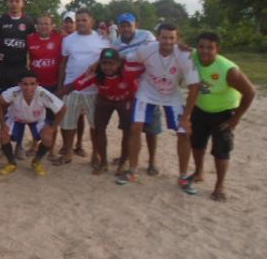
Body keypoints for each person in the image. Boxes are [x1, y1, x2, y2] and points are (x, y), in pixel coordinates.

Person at [117, 23, 200, 195]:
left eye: (171, 38)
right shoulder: (147, 49)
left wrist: (187, 116)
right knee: (135, 128)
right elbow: (126, 58)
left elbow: (194, 88)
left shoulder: (184, 55)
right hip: (147, 92)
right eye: (164, 37)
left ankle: (183, 175)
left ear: (177, 39)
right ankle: (132, 171)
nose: (167, 41)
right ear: (158, 37)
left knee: (184, 132)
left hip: (172, 95)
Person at [190, 32, 256, 201]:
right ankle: (198, 172)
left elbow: (250, 92)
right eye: (202, 47)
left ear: (217, 49)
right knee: (197, 144)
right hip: (200, 109)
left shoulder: (228, 69)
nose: (205, 51)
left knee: (221, 150)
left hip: (224, 112)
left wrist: (235, 119)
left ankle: (220, 185)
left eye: (210, 48)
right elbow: (181, 48)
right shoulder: (194, 56)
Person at [65, 48, 143, 175]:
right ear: (99, 63)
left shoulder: (129, 70)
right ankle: (103, 162)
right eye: (104, 63)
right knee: (98, 129)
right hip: (105, 99)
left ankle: (123, 162)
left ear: (119, 63)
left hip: (126, 100)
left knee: (127, 131)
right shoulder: (96, 73)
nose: (107, 67)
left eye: (111, 63)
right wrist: (54, 95)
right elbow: (75, 85)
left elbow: (151, 64)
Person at [112, 12, 162, 175]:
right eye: (123, 25)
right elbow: (115, 62)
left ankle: (152, 161)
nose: (126, 28)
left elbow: (154, 52)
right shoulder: (116, 43)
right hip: (129, 90)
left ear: (136, 25)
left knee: (151, 129)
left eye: (129, 25)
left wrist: (128, 57)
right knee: (128, 128)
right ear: (118, 27)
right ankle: (125, 157)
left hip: (150, 87)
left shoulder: (147, 35)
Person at [55, 9, 107, 165]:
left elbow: (108, 61)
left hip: (93, 90)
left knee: (95, 125)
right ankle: (68, 151)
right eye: (78, 20)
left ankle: (95, 155)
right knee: (67, 123)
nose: (80, 23)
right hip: (71, 88)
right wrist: (60, 87)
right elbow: (63, 63)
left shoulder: (102, 40)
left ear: (92, 21)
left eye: (84, 20)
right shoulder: (68, 40)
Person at [0, 70, 66, 176]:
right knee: (3, 135)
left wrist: (52, 128)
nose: (28, 87)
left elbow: (63, 108)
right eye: (25, 84)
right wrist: (2, 124)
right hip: (16, 119)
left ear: (37, 84)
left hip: (37, 120)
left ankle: (36, 161)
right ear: (19, 85)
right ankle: (11, 163)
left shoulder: (42, 93)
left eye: (32, 84)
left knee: (48, 137)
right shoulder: (14, 92)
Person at [26, 14, 63, 156]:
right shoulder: (30, 39)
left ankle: (51, 149)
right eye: (40, 23)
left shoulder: (60, 38)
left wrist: (60, 85)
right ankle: (35, 145)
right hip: (35, 86)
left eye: (46, 23)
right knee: (34, 117)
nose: (43, 26)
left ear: (52, 25)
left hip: (53, 85)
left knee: (52, 118)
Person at [0, 0, 36, 93]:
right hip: (2, 67)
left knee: (18, 100)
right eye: (11, 1)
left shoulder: (29, 21)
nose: (14, 4)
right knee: (0, 97)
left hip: (20, 68)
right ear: (7, 3)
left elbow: (34, 44)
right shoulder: (0, 20)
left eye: (17, 1)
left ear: (22, 4)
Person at [60, 10, 85, 157]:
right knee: (66, 114)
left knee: (80, 116)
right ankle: (65, 145)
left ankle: (79, 144)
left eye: (71, 21)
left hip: (81, 82)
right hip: (66, 81)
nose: (69, 24)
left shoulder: (83, 37)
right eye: (66, 21)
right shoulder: (61, 38)